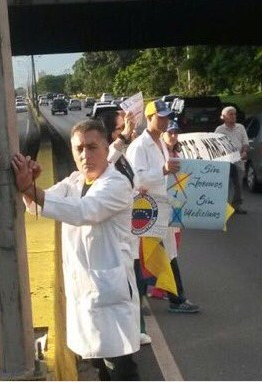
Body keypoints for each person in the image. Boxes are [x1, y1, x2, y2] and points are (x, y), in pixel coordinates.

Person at [12, 120, 140, 380]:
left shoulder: (116, 184)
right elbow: (38, 205)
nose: (85, 155)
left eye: (92, 147)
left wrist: (29, 188)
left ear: (106, 148)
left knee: (119, 366)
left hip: (109, 292)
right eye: (79, 149)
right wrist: (30, 187)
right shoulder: (74, 181)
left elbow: (83, 211)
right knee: (100, 365)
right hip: (85, 290)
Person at [126, 100, 199, 314]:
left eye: (168, 117)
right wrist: (163, 171)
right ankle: (139, 304)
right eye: (161, 117)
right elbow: (134, 180)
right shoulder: (139, 146)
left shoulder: (161, 145)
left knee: (169, 254)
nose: (166, 121)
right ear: (149, 119)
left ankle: (177, 299)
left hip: (164, 207)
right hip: (148, 210)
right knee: (143, 256)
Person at [98, 110, 152, 346]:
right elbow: (109, 156)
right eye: (119, 129)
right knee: (126, 285)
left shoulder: (123, 158)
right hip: (118, 236)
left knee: (135, 282)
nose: (125, 132)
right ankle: (127, 333)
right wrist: (127, 136)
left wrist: (137, 189)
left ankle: (135, 329)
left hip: (130, 231)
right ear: (109, 134)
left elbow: (131, 180)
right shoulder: (107, 159)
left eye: (124, 128)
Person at [215, 106, 250, 214]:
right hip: (225, 161)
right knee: (223, 184)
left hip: (238, 160)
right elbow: (215, 146)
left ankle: (237, 205)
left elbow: (245, 143)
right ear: (224, 117)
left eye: (234, 114)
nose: (233, 116)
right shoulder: (219, 130)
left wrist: (244, 152)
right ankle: (221, 206)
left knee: (238, 184)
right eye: (230, 114)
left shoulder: (241, 127)